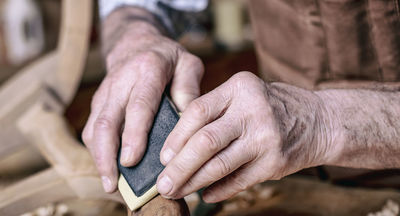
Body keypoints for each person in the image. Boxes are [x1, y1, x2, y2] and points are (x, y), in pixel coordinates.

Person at [82, 0, 400, 204]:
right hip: (292, 190)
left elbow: (317, 124)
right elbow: (142, 5)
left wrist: (323, 123)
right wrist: (134, 37)